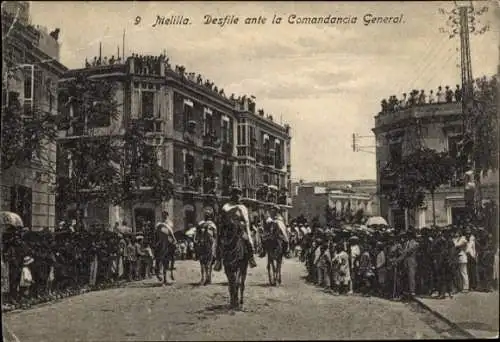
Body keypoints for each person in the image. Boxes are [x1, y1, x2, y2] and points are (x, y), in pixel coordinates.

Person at [214, 186, 257, 270]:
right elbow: (221, 219)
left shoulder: (243, 208)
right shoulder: (226, 206)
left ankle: (251, 259)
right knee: (219, 241)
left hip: (240, 230)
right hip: (228, 230)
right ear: (232, 195)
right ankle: (218, 261)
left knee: (247, 241)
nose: (237, 196)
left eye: (238, 194)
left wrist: (245, 224)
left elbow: (248, 221)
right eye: (235, 194)